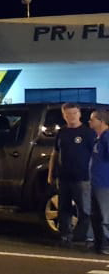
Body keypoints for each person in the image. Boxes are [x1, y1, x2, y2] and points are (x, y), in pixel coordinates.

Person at [48, 102, 96, 247]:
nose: (71, 117)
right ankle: (65, 235)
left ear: (79, 114)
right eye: (68, 114)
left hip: (83, 178)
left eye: (74, 113)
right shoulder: (62, 133)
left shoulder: (88, 133)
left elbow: (95, 155)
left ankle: (88, 237)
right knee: (64, 209)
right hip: (64, 178)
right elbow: (55, 153)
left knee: (85, 209)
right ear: (64, 115)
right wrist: (51, 174)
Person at [88, 109, 109, 256]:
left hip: (105, 183)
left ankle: (105, 244)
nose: (89, 122)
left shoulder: (107, 137)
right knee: (96, 214)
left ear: (101, 121)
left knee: (105, 215)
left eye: (92, 119)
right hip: (96, 182)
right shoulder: (98, 137)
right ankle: (99, 244)